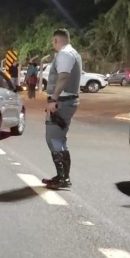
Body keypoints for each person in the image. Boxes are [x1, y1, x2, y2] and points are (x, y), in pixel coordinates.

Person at [41, 29, 82, 190]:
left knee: (53, 138)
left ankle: (63, 178)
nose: (53, 44)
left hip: (62, 102)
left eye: (53, 41)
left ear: (57, 40)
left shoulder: (65, 54)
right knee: (59, 139)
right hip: (66, 101)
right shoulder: (73, 53)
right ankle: (62, 176)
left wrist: (53, 99)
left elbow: (63, 76)